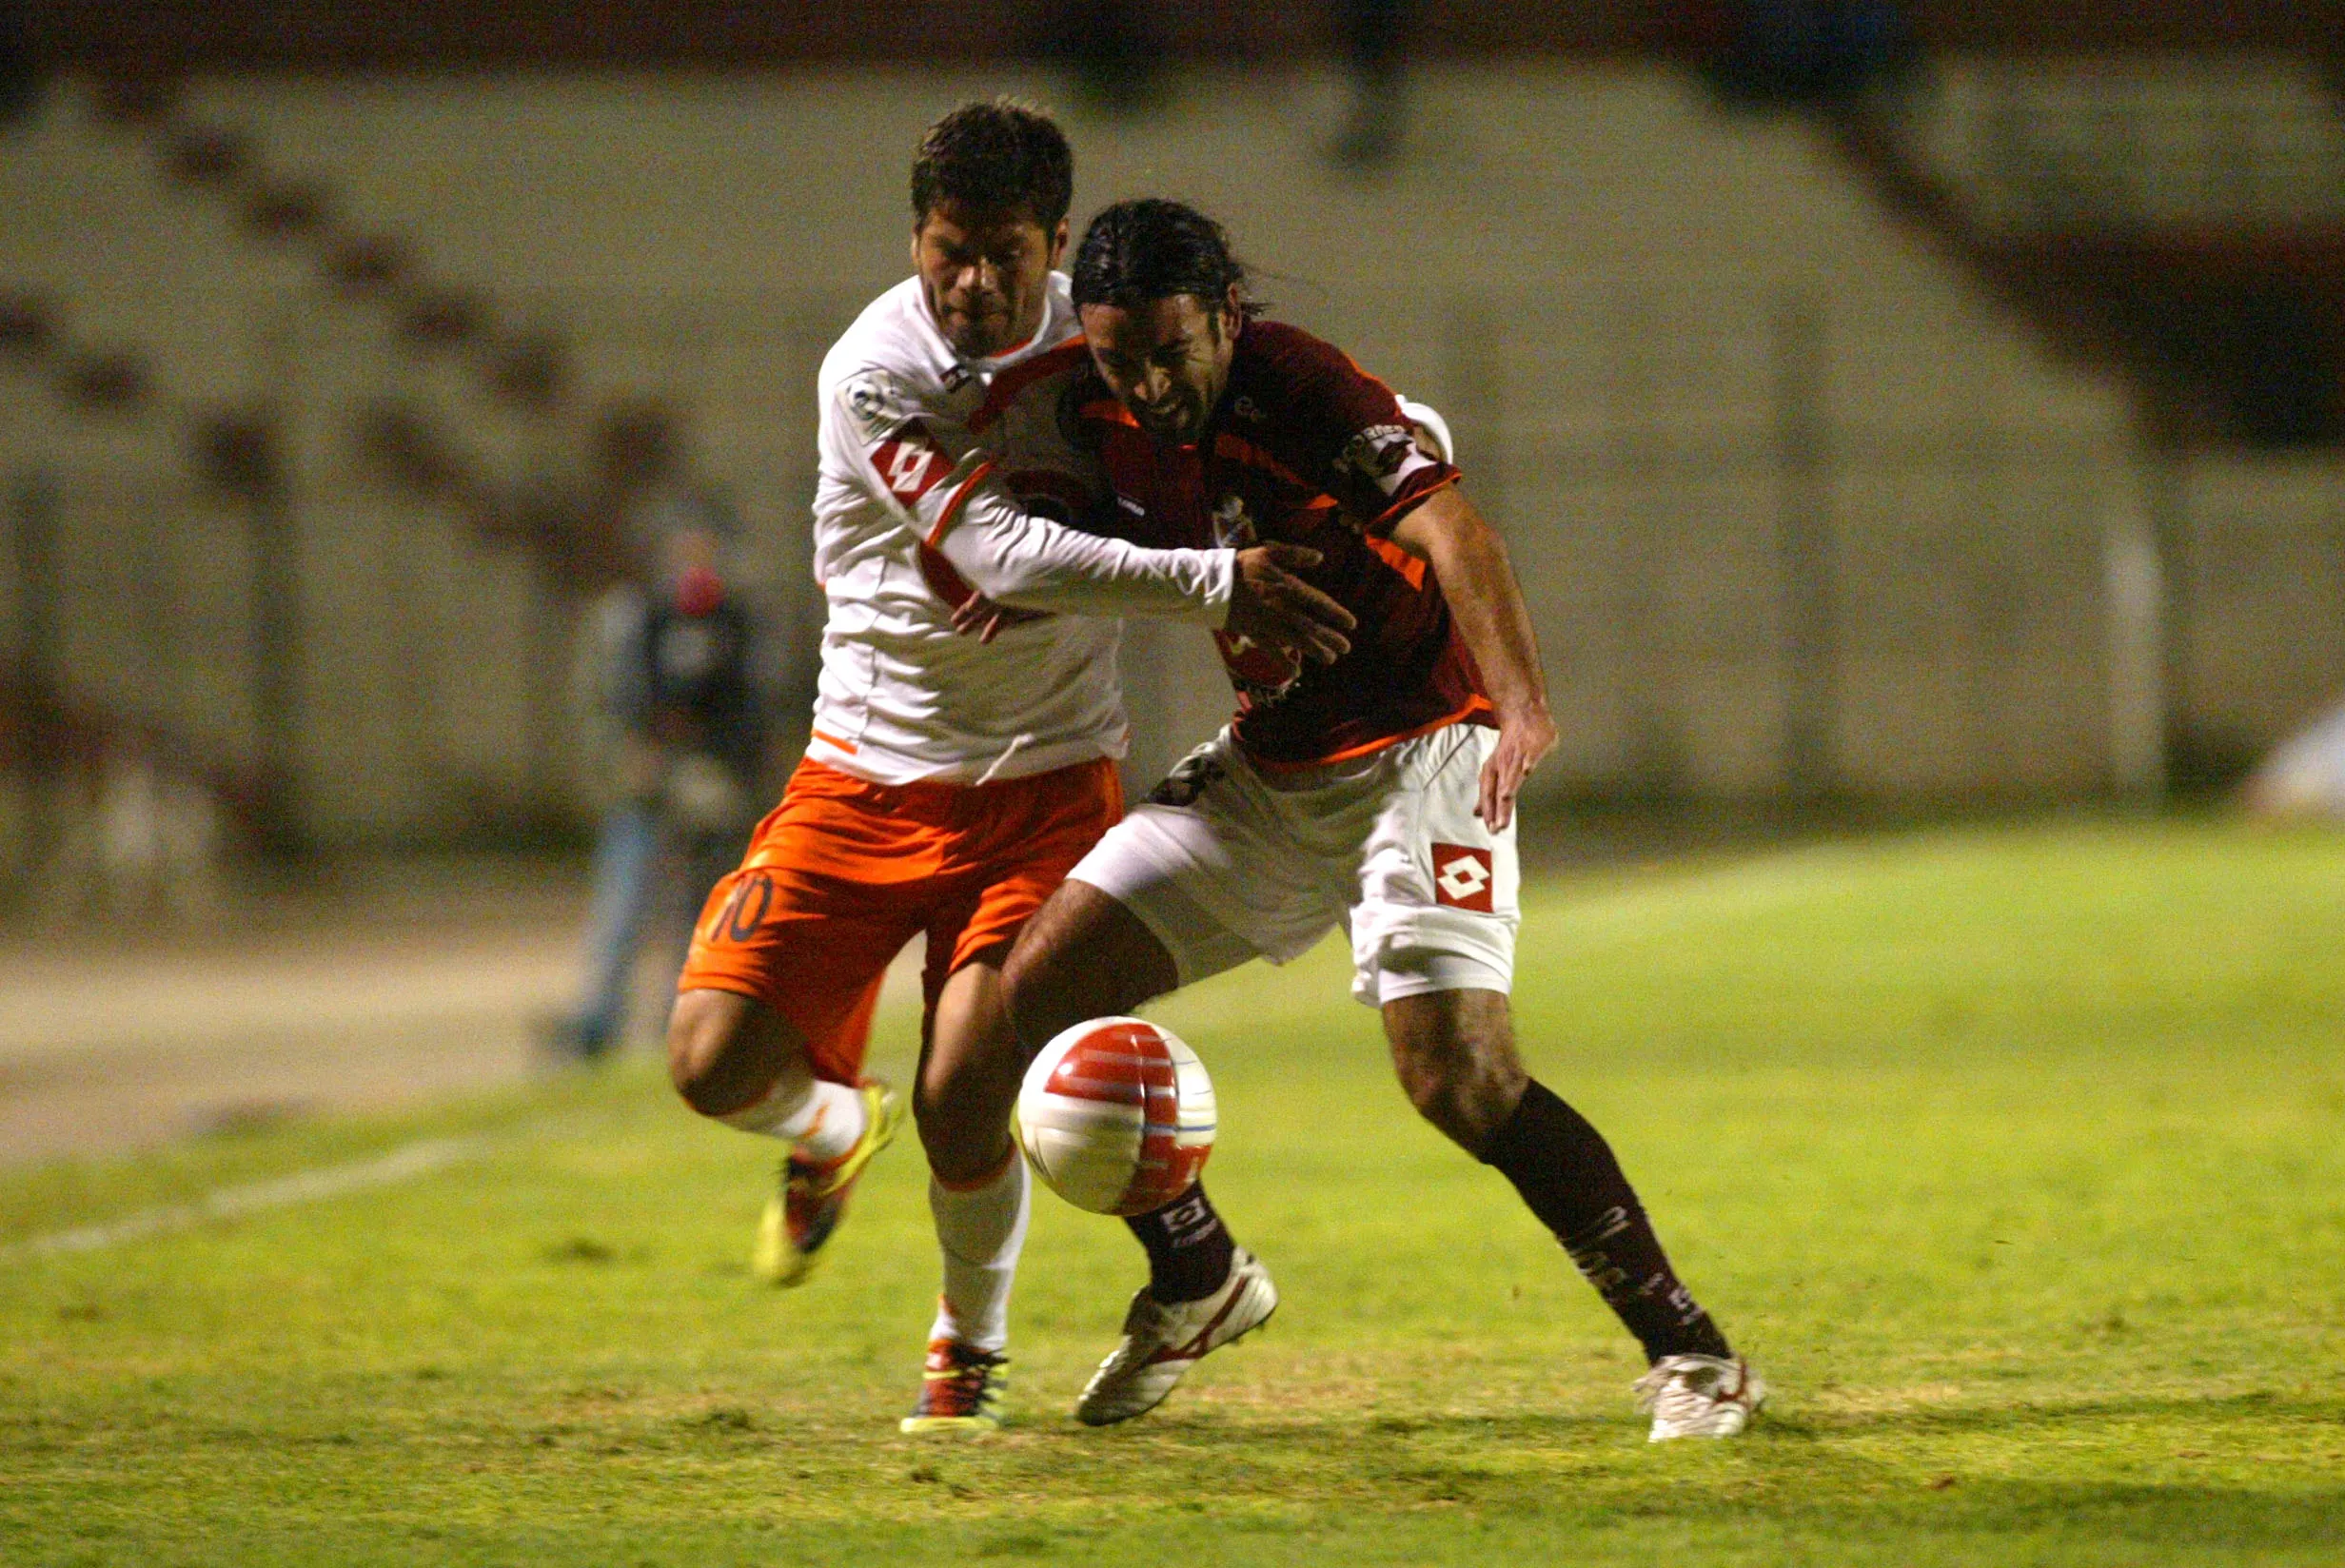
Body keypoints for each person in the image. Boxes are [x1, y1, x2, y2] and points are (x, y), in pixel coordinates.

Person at [963, 199, 1765, 1441]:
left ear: (1226, 318)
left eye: (1171, 352)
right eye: (1122, 358)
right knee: (1033, 990)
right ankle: (1198, 1277)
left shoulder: (1301, 389)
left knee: (1460, 1080)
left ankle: (1695, 1357)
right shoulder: (1094, 401)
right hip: (1273, 770)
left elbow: (1455, 529)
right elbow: (1032, 505)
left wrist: (1523, 706)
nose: (1148, 383)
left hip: (1421, 757)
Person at [660, 104, 1355, 1432]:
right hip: (862, 774)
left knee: (968, 1083)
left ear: (1054, 242)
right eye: (947, 250)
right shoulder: (873, 367)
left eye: (1004, 255)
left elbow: (1207, 439)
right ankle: (824, 1132)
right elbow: (998, 556)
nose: (973, 284)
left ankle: (965, 1347)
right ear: (916, 238)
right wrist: (1220, 586)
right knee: (705, 1059)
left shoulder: (1104, 343)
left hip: (1046, 784)